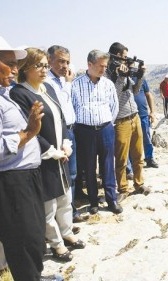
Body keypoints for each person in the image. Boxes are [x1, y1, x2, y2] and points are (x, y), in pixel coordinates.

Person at [10, 48, 85, 263]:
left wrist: (66, 144)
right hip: (42, 158)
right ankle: (56, 245)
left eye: (45, 65)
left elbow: (60, 117)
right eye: (39, 65)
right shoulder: (20, 94)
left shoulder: (48, 88)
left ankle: (67, 232)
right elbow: (28, 129)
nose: (44, 70)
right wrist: (52, 151)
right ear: (25, 69)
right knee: (48, 205)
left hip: (60, 153)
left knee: (65, 198)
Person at [0, 37, 62, 281]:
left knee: (34, 236)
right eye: (8, 63)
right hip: (12, 181)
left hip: (27, 176)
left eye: (16, 64)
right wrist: (28, 133)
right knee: (22, 240)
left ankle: (34, 276)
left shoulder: (5, 94)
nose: (15, 69)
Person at [71, 49, 123, 214]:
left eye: (105, 66)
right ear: (89, 64)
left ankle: (111, 200)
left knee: (108, 165)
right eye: (100, 66)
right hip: (84, 131)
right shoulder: (76, 84)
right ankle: (93, 201)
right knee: (89, 166)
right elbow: (72, 107)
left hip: (106, 129)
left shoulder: (107, 84)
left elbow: (114, 106)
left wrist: (107, 123)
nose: (103, 69)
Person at [46, 45, 87, 225]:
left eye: (68, 62)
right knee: (64, 174)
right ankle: (64, 214)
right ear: (49, 61)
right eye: (61, 61)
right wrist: (69, 84)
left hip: (71, 129)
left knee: (73, 173)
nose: (65, 66)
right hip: (59, 132)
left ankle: (69, 210)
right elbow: (60, 104)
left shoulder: (63, 80)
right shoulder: (47, 82)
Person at [106, 42, 149, 197]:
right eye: (124, 57)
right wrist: (120, 78)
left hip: (134, 116)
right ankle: (123, 188)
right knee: (122, 158)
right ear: (116, 55)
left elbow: (135, 90)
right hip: (121, 120)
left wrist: (140, 75)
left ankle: (139, 184)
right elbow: (114, 99)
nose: (125, 60)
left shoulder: (124, 71)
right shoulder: (109, 73)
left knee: (138, 155)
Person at [133, 77, 159, 168]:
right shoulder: (123, 77)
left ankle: (149, 158)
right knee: (130, 141)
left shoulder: (141, 78)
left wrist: (152, 111)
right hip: (129, 116)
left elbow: (148, 95)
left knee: (146, 138)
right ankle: (130, 166)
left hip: (143, 114)